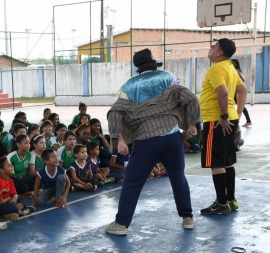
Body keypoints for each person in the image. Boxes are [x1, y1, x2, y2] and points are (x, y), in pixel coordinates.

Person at [105, 48, 200, 235]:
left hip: (146, 141)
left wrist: (118, 138)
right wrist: (193, 122)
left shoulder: (128, 87)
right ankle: (187, 218)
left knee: (132, 182)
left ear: (137, 68)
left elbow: (115, 112)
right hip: (173, 137)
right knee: (178, 177)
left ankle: (121, 224)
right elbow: (190, 98)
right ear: (154, 64)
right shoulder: (168, 77)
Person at [199, 39, 247, 215]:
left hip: (216, 120)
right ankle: (230, 200)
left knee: (216, 162)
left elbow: (224, 92)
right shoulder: (230, 68)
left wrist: (224, 116)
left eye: (213, 47)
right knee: (226, 162)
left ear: (219, 52)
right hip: (228, 119)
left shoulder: (217, 68)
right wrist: (237, 114)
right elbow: (243, 90)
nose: (210, 49)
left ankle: (221, 203)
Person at [0, 157, 35, 222]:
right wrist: (10, 200)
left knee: (22, 199)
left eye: (11, 164)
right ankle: (19, 212)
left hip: (7, 203)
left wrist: (12, 202)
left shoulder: (10, 180)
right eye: (9, 165)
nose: (12, 166)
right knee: (12, 207)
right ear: (2, 170)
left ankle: (11, 213)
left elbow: (15, 195)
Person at [231, 59, 252, 127]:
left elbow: (243, 79)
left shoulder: (236, 71)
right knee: (240, 107)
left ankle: (247, 121)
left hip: (237, 92)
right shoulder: (236, 70)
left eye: (232, 63)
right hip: (235, 92)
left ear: (236, 64)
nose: (231, 64)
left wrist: (238, 85)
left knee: (241, 107)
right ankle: (247, 121)